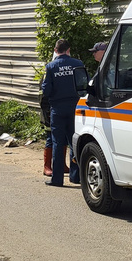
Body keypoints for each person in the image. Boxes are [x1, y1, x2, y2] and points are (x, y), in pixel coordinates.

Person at [41, 39, 85, 187]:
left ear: (55, 50)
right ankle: (76, 176)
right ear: (68, 50)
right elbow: (85, 84)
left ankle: (57, 179)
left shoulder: (51, 67)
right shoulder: (78, 64)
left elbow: (46, 90)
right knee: (75, 142)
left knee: (58, 143)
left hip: (58, 110)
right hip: (75, 108)